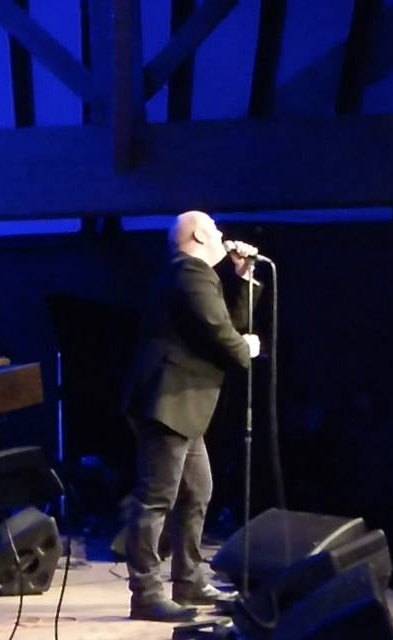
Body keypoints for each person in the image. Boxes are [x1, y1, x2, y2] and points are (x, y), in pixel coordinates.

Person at [122, 210, 261, 622]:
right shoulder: (189, 271)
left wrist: (244, 278)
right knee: (155, 498)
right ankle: (146, 592)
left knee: (197, 490)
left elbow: (224, 324)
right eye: (215, 229)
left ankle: (189, 579)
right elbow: (223, 334)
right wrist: (246, 349)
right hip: (168, 402)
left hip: (182, 405)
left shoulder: (195, 275)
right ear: (199, 236)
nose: (222, 235)